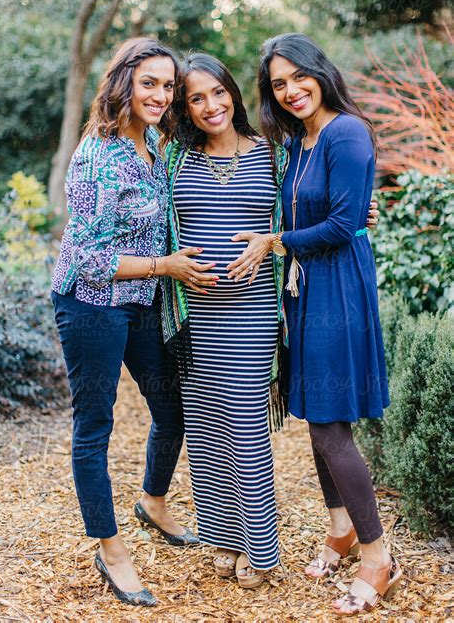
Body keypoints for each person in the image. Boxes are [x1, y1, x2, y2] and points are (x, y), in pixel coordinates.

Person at [51, 37, 215, 607]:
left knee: (173, 410)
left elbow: (230, 151)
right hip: (90, 304)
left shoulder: (157, 144)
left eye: (168, 86)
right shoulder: (97, 156)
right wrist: (167, 265)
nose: (162, 94)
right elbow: (89, 257)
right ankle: (111, 549)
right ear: (123, 82)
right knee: (93, 426)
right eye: (150, 82)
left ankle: (153, 503)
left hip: (143, 298)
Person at [253, 32, 402, 616]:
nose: (291, 91)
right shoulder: (298, 141)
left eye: (298, 76)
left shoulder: (345, 131)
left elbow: (342, 224)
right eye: (278, 84)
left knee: (329, 426)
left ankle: (377, 555)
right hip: (307, 288)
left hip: (339, 286)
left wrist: (275, 241)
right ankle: (339, 529)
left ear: (320, 70)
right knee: (317, 412)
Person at [161, 52, 289, 589]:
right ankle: (223, 536)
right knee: (207, 429)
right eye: (196, 98)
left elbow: (309, 211)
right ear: (185, 108)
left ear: (232, 93)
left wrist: (359, 212)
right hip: (196, 317)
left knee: (244, 425)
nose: (211, 105)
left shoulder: (273, 154)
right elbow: (146, 222)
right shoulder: (171, 160)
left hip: (253, 313)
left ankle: (261, 549)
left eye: (218, 92)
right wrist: (172, 266)